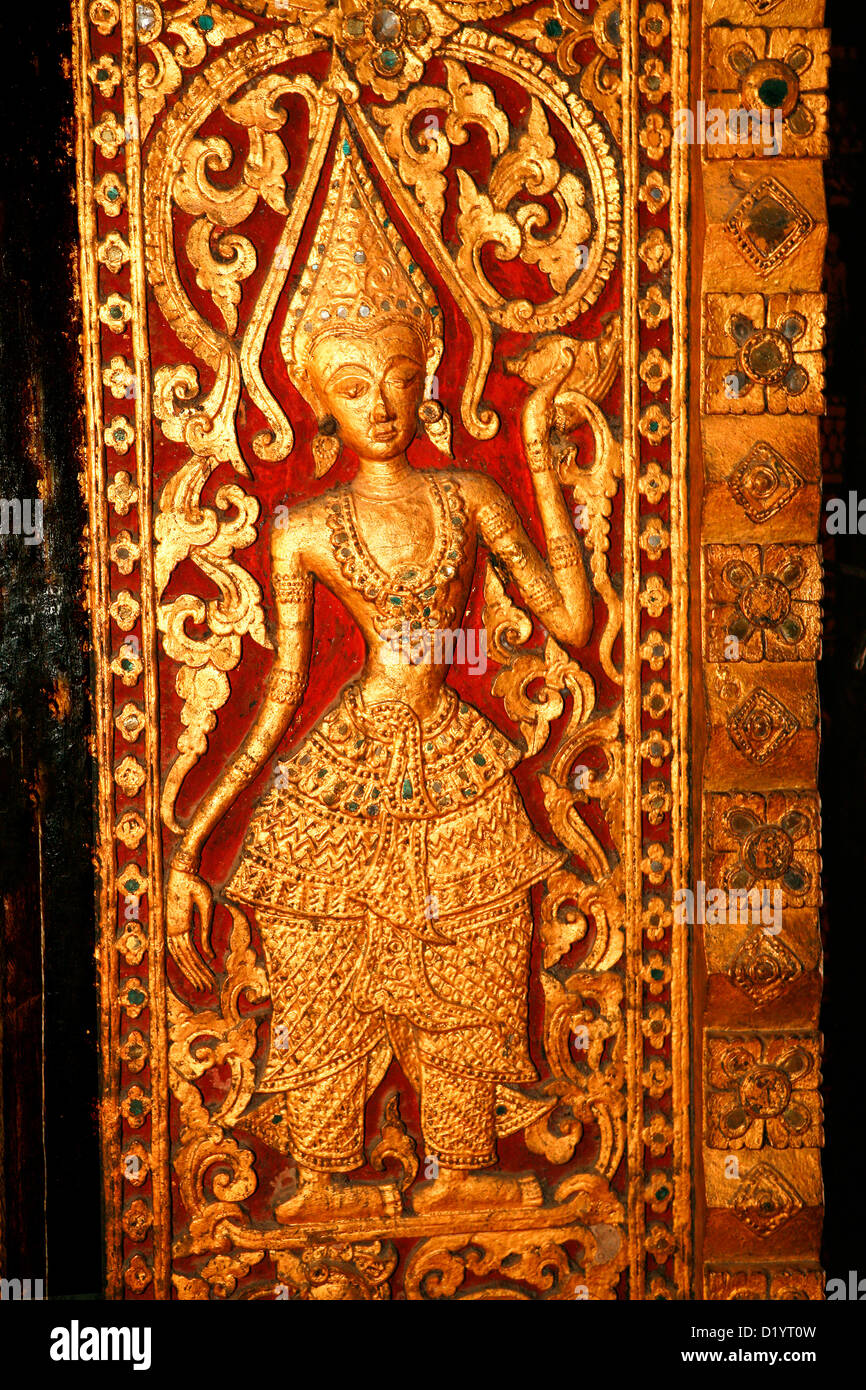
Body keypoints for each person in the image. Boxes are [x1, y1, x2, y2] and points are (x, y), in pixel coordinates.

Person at [165, 130, 592, 1222]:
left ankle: (462, 1163)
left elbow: (574, 619)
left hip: (453, 758)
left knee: (477, 945)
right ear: (317, 400)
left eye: (400, 380)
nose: (384, 405)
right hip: (346, 765)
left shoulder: (465, 496)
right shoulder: (305, 527)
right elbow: (280, 689)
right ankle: (324, 1172)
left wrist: (537, 430)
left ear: (428, 381)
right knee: (328, 963)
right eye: (355, 386)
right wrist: (193, 831)